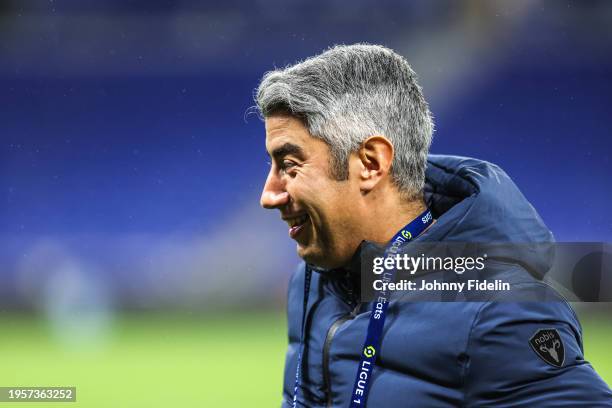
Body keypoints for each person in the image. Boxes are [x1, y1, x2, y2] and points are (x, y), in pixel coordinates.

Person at [255, 44, 612, 407]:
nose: (268, 195)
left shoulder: (500, 310)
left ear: (371, 163)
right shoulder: (313, 281)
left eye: (289, 165)